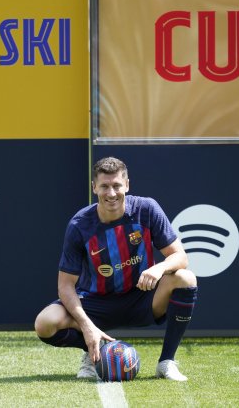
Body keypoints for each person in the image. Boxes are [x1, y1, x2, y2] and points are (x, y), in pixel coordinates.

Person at [34, 156, 198, 381]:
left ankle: (166, 361)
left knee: (185, 278)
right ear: (94, 188)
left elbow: (180, 256)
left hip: (141, 298)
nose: (111, 193)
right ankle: (93, 350)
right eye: (104, 186)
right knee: (45, 323)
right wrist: (86, 325)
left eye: (116, 186)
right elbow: (65, 286)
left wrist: (158, 269)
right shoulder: (79, 225)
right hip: (96, 303)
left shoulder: (146, 209)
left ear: (127, 185)